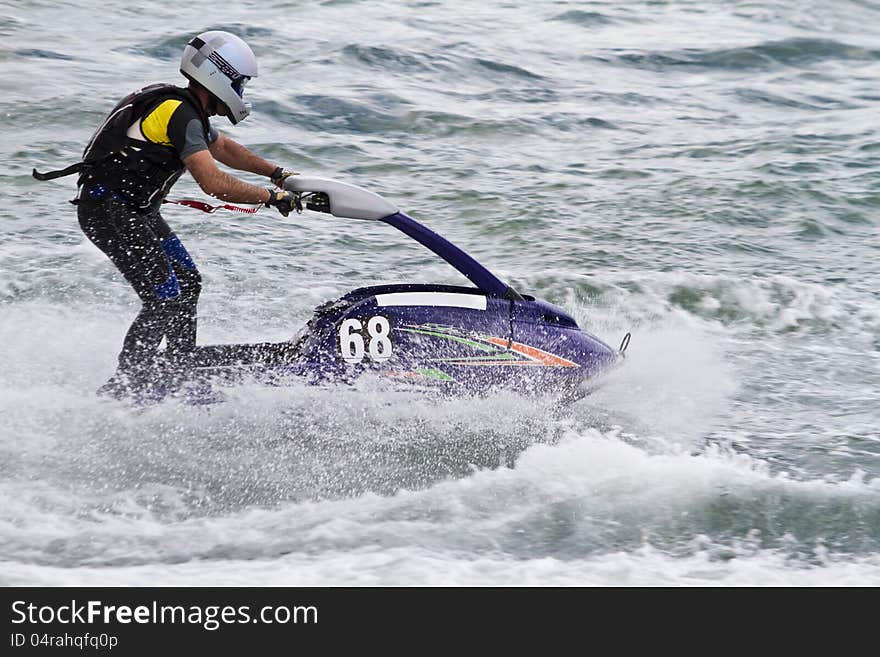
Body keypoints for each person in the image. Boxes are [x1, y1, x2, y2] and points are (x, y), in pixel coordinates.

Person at [33, 30, 300, 397]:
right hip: (110, 212)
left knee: (188, 282)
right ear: (219, 76)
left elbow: (223, 149)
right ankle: (128, 385)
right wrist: (271, 197)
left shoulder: (186, 109)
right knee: (164, 297)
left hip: (134, 211)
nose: (241, 93)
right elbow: (212, 181)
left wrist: (278, 173)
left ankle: (178, 362)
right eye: (239, 83)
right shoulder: (179, 112)